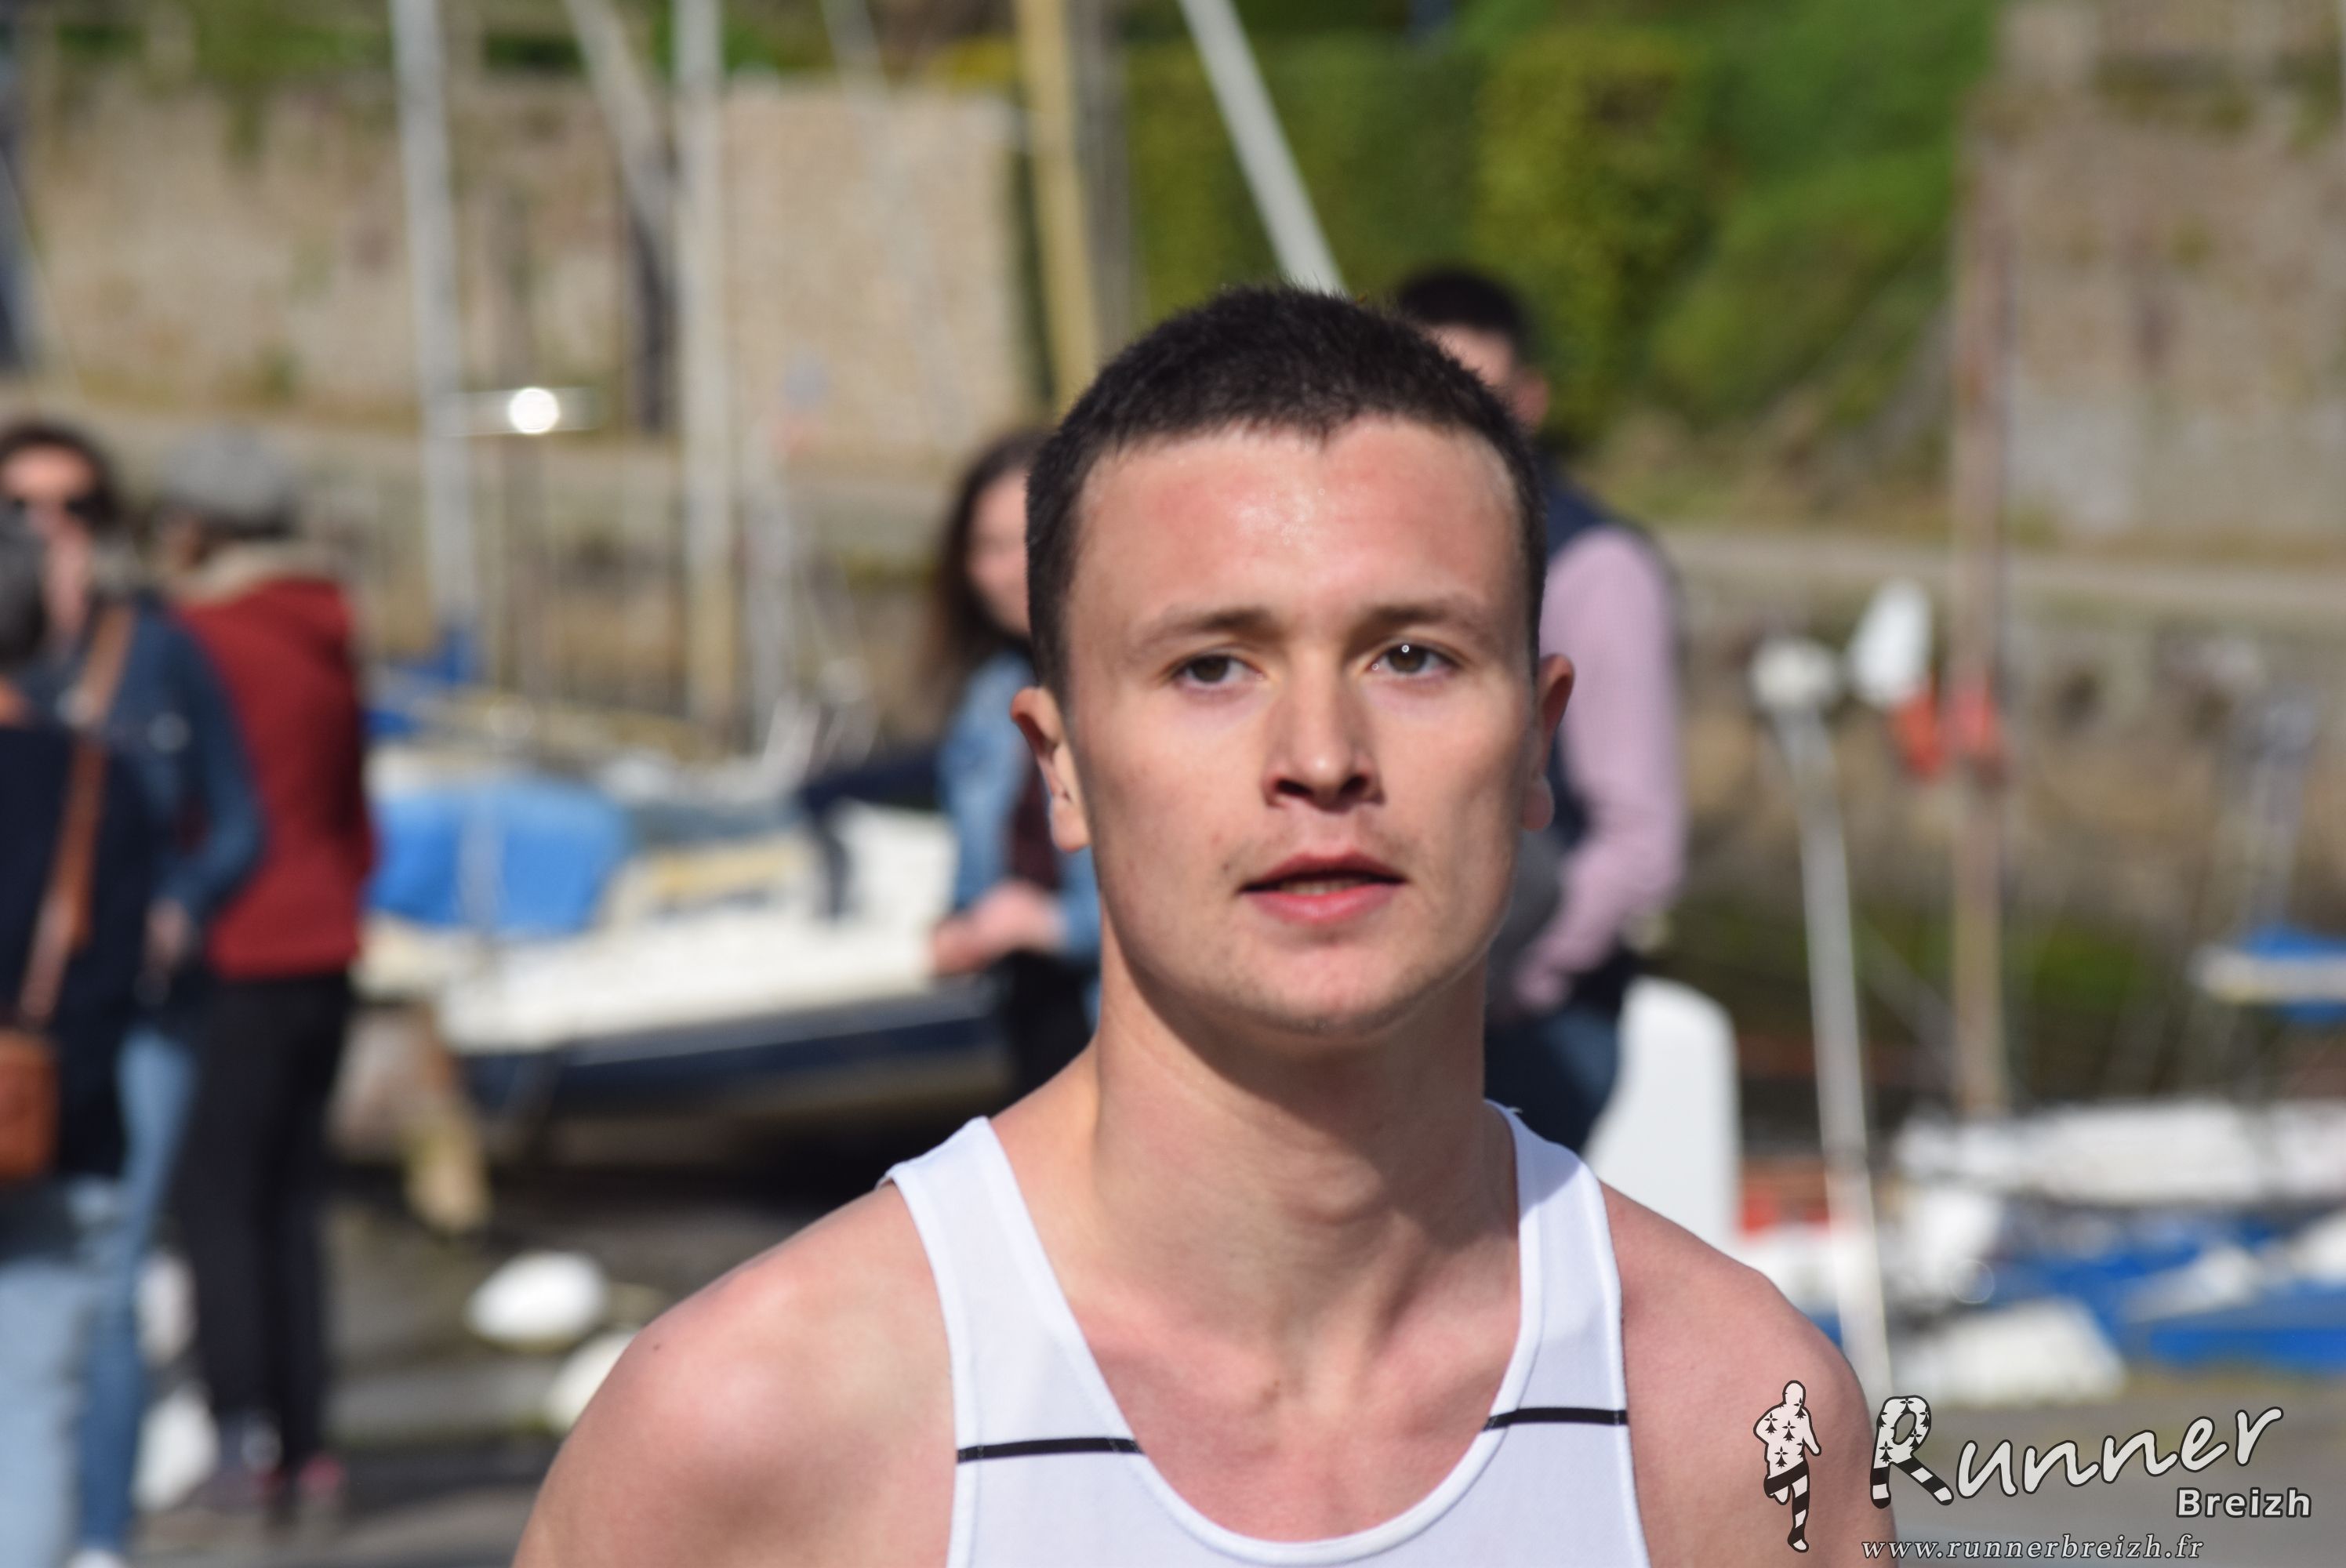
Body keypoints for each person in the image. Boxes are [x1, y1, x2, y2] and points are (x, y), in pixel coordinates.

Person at [514, 289, 1874, 1566]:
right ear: (1058, 766)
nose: (1321, 757)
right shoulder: (755, 1437)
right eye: (1212, 666)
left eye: (1412, 656)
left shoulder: (1741, 1424)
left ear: (1536, 739)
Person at [0, 419, 263, 1568]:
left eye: (75, 508)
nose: (49, 531)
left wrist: (180, 904)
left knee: (103, 1291)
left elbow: (240, 818)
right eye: (21, 510)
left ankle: (100, 1540)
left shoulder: (154, 652)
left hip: (127, 1018)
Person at [1396, 266, 1685, 1152]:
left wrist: (1494, 986)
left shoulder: (1597, 570)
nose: (1450, 426)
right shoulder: (1370, 558)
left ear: (1530, 400)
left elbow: (1640, 845)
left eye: (1478, 399)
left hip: (1530, 1027)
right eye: (1420, 395)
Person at [147, 429, 373, 1526]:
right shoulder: (328, 626)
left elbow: (182, 796)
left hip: (236, 947)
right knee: (293, 1200)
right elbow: (351, 801)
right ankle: (312, 1445)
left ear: (196, 526)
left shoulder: (200, 635)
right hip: (327, 942)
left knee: (219, 1202)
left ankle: (242, 1442)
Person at [0, 524, 154, 1568]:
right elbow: (113, 983)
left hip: (56, 1134)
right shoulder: (97, 781)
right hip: (57, 1124)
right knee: (30, 1422)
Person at [924, 429, 1102, 1094]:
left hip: (1117, 1020)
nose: (1005, 571)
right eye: (986, 548)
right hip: (1026, 1016)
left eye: (1024, 543)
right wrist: (959, 925)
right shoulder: (985, 698)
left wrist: (1046, 923)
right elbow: (977, 878)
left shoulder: (1129, 690)